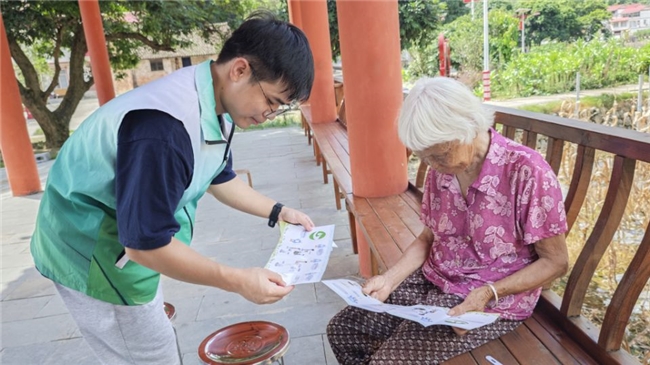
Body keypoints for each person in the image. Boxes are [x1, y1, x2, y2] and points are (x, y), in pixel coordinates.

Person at [30, 12, 314, 365]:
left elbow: (217, 175)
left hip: (130, 237)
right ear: (239, 70)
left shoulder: (214, 100)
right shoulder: (162, 130)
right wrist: (237, 280)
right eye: (271, 101)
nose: (270, 113)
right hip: (90, 250)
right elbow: (143, 246)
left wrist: (279, 211)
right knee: (149, 353)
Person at [327, 77, 569, 364]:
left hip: (487, 297)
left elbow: (556, 262)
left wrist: (489, 294)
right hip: (434, 278)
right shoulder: (440, 170)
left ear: (468, 127)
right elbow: (429, 238)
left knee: (387, 361)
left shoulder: (526, 171)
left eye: (439, 154)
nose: (433, 165)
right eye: (424, 157)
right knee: (343, 329)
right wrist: (389, 280)